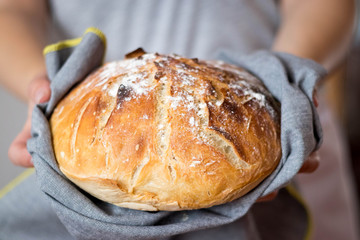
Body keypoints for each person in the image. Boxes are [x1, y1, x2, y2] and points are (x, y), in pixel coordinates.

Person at [0, 0, 358, 239]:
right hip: (98, 113)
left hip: (266, 116)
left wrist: (289, 77)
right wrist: (40, 87)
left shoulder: (284, 117)